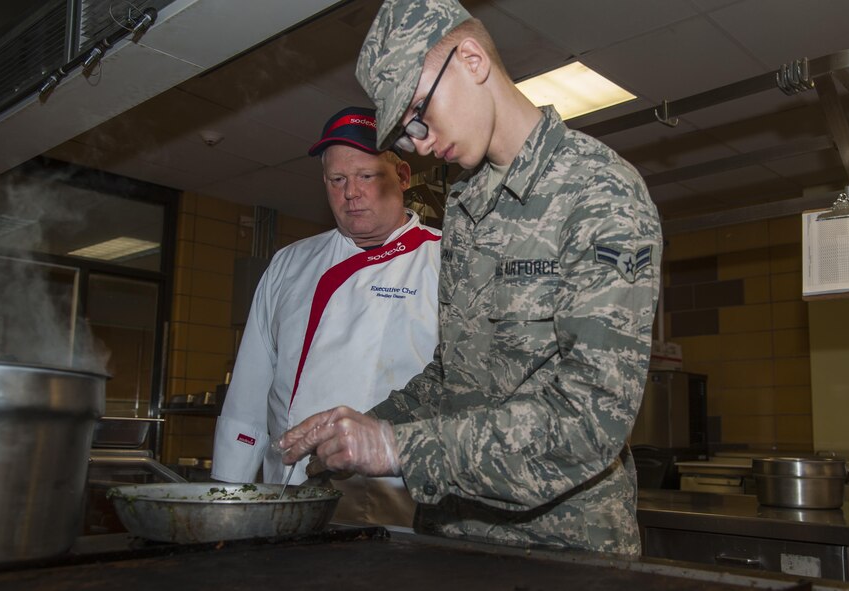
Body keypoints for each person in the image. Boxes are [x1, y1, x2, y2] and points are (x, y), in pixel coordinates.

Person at [281, 0, 662, 556]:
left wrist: (395, 447)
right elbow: (453, 375)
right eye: (407, 135)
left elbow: (589, 419)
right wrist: (362, 427)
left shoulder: (600, 192)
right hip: (456, 537)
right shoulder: (465, 202)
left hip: (562, 549)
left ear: (472, 59)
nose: (422, 142)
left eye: (417, 114)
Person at [211, 106, 441, 527]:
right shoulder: (289, 263)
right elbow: (249, 389)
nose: (350, 192)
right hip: (284, 492)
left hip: (394, 502)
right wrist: (228, 499)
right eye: (337, 180)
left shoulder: (445, 260)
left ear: (403, 177)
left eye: (367, 176)